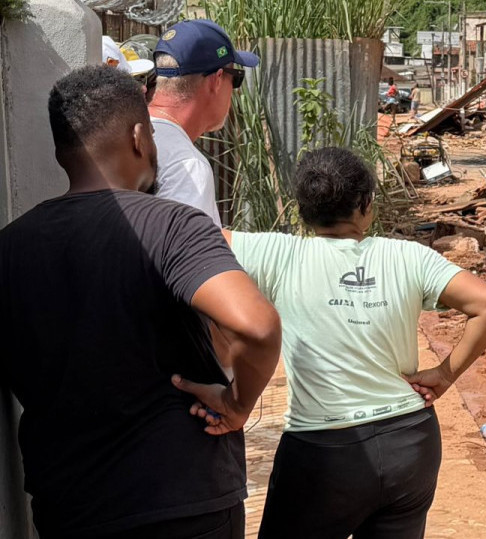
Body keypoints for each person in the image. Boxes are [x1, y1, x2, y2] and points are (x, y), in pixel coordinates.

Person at [0, 65, 282, 538]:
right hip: (183, 500)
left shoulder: (9, 247)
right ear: (138, 137)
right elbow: (257, 327)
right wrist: (237, 403)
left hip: (69, 506)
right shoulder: (171, 226)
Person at [227, 147, 486, 539]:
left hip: (324, 453)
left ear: (302, 209)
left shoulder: (277, 254)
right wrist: (445, 374)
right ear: (366, 205)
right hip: (411, 443)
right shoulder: (409, 256)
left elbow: (188, 238)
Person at [150, 18, 259, 226]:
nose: (235, 93)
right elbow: (187, 256)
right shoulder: (186, 167)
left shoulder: (128, 129)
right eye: (236, 78)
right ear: (217, 80)